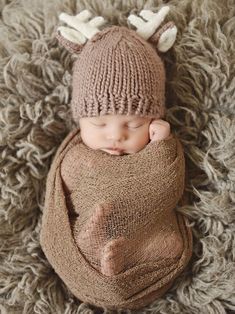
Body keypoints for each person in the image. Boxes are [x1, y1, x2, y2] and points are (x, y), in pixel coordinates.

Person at [40, 8, 193, 310]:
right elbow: (69, 193)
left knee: (172, 244)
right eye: (98, 124)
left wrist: (162, 146)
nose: (115, 136)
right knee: (81, 188)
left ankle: (125, 262)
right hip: (83, 240)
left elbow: (168, 186)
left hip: (146, 238)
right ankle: (96, 246)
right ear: (80, 119)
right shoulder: (76, 156)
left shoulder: (157, 145)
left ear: (153, 118)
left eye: (133, 124)